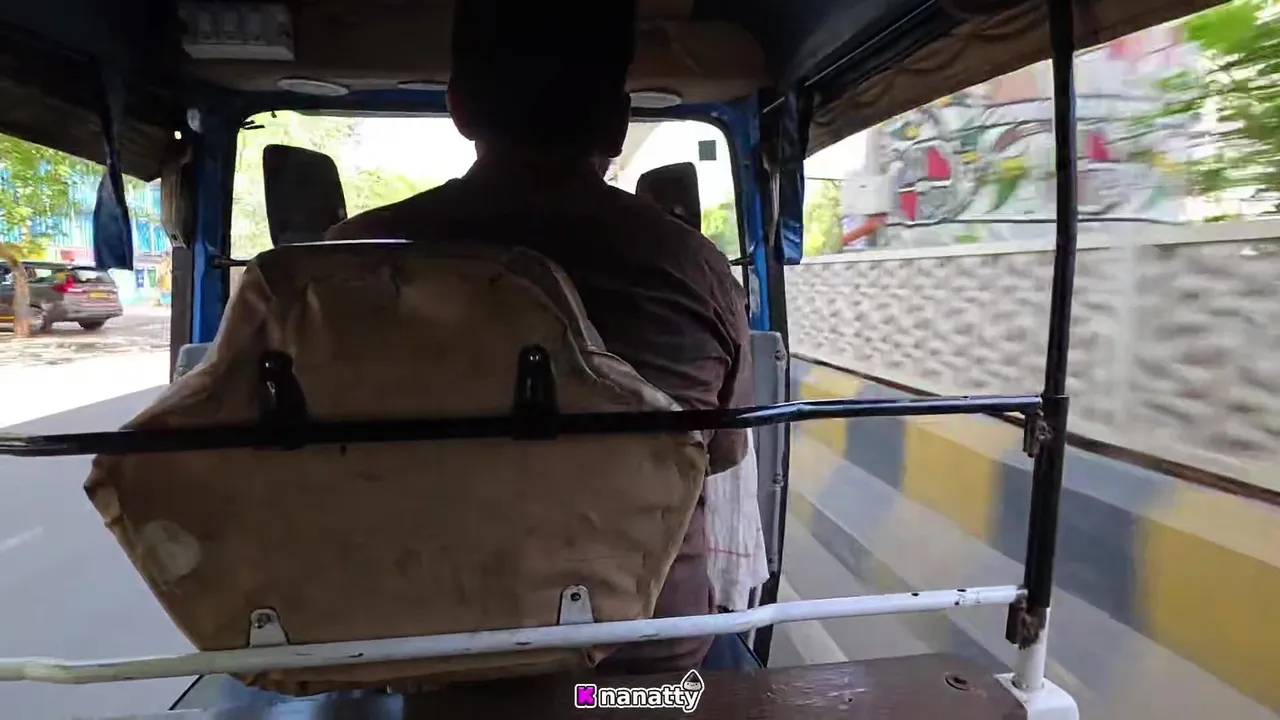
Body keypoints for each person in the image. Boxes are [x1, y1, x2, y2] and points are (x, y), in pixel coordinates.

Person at [324, 0, 752, 674]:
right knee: (645, 702)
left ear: (460, 108)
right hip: (644, 663)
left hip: (429, 654)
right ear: (616, 123)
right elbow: (721, 454)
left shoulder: (345, 260)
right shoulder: (694, 267)